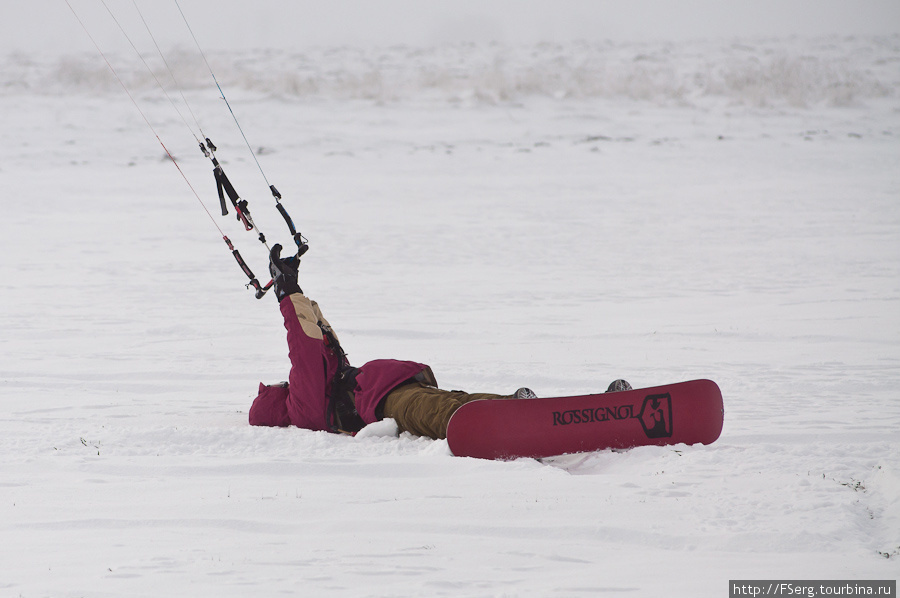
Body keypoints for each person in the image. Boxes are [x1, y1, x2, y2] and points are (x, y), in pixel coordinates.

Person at [249, 245, 630, 440]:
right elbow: (305, 350)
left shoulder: (324, 384)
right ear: (278, 404)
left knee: (457, 404)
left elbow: (322, 340)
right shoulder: (303, 410)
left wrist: (299, 293)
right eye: (281, 387)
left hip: (397, 387)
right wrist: (287, 295)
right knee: (449, 415)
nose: (285, 381)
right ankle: (525, 415)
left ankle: (545, 410)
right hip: (387, 401)